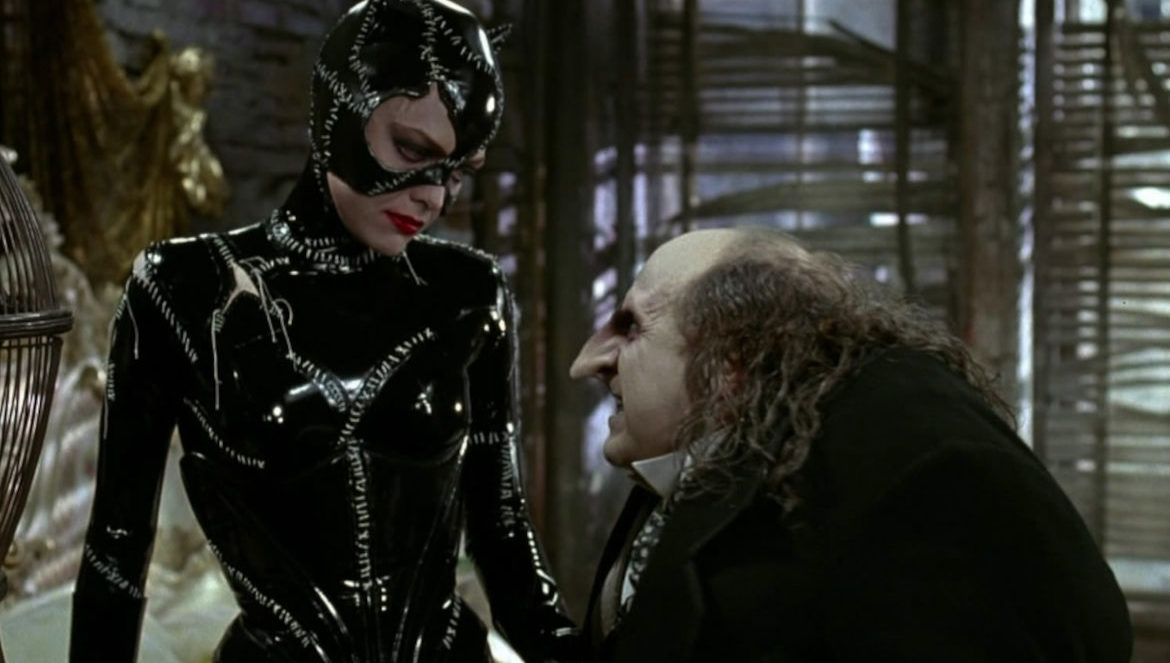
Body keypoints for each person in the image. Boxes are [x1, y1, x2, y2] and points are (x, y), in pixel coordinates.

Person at [69, 1, 579, 661]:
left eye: (457, 171)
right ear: (335, 111)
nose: (435, 196)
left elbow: (502, 530)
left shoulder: (471, 291)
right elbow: (116, 547)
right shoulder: (181, 288)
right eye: (412, 150)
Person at [570, 227, 1133, 662]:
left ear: (731, 358)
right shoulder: (714, 439)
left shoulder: (920, 472)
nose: (587, 363)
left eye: (630, 327)